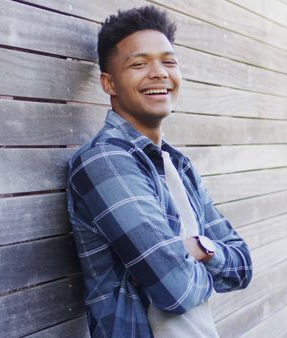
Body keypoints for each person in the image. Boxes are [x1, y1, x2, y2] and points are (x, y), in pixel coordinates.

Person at [66, 6, 252, 337]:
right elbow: (176, 290)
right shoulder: (105, 161)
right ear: (109, 83)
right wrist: (196, 260)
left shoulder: (176, 163)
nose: (159, 73)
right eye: (139, 64)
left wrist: (200, 248)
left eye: (168, 61)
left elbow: (242, 266)